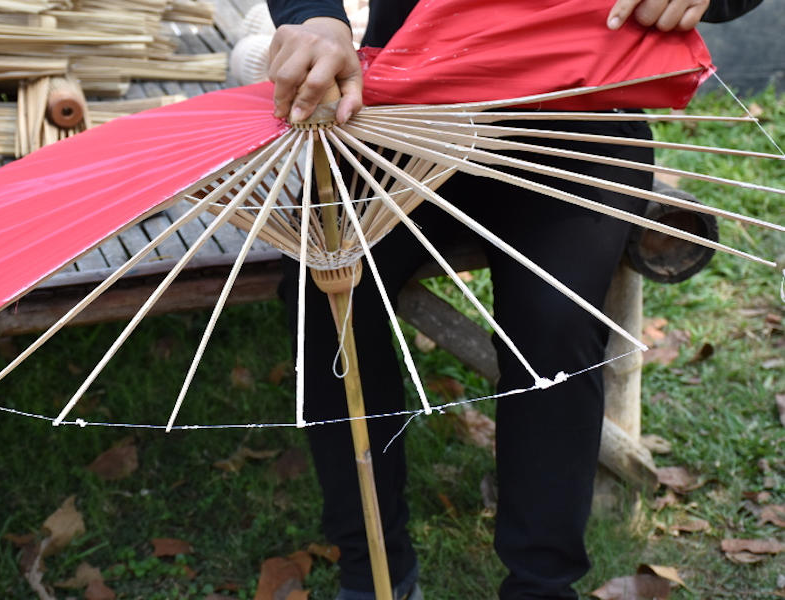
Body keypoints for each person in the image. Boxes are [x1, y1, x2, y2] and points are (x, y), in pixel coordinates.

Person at [265, 1, 763, 598]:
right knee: (326, 292)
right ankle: (373, 568)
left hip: (576, 106)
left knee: (554, 318)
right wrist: (316, 18)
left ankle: (542, 585)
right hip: (405, 105)